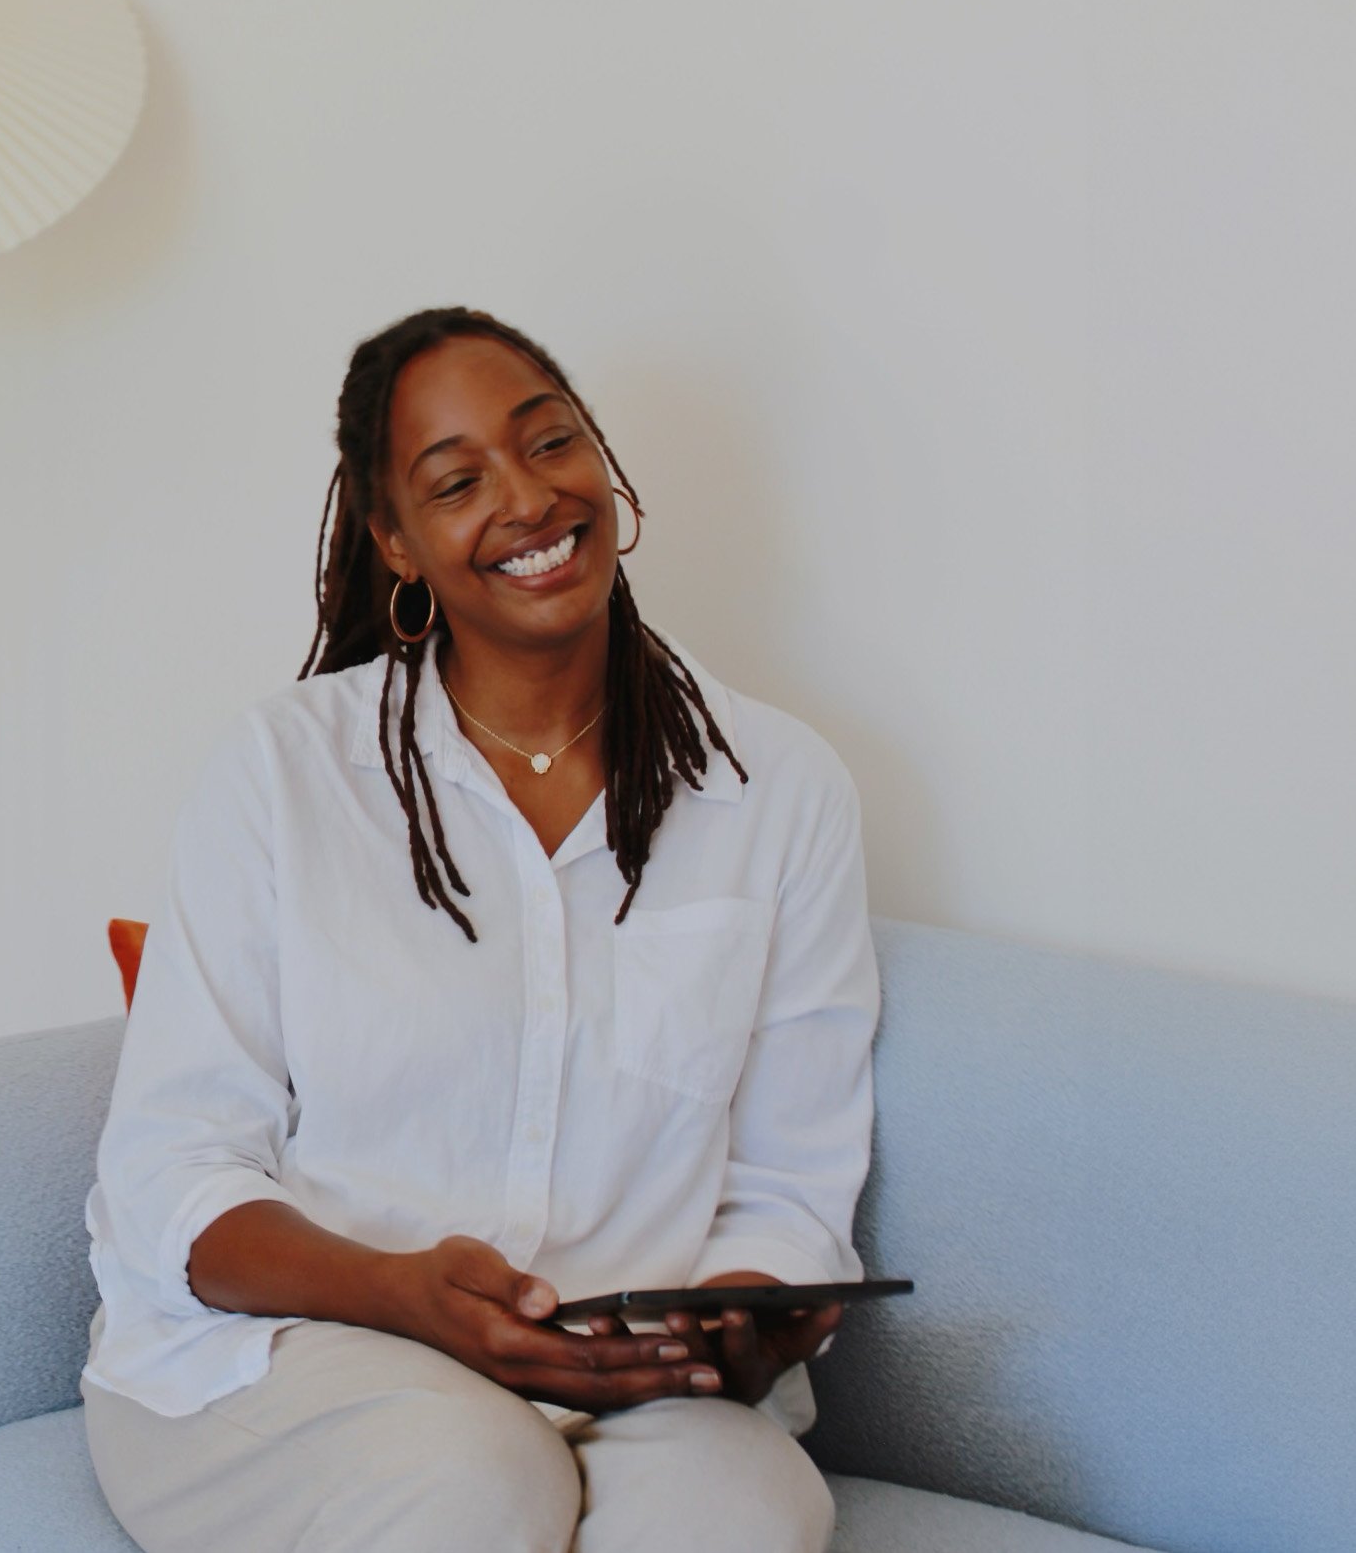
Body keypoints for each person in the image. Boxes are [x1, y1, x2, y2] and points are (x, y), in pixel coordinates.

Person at [79, 305, 880, 1553]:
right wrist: (404, 1295)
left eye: (550, 442)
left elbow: (789, 1185)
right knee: (477, 1475)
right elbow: (171, 1177)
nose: (527, 499)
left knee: (750, 1514)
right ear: (395, 542)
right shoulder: (286, 775)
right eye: (457, 481)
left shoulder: (780, 788)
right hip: (297, 1357)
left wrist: (738, 1312)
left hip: (633, 1393)